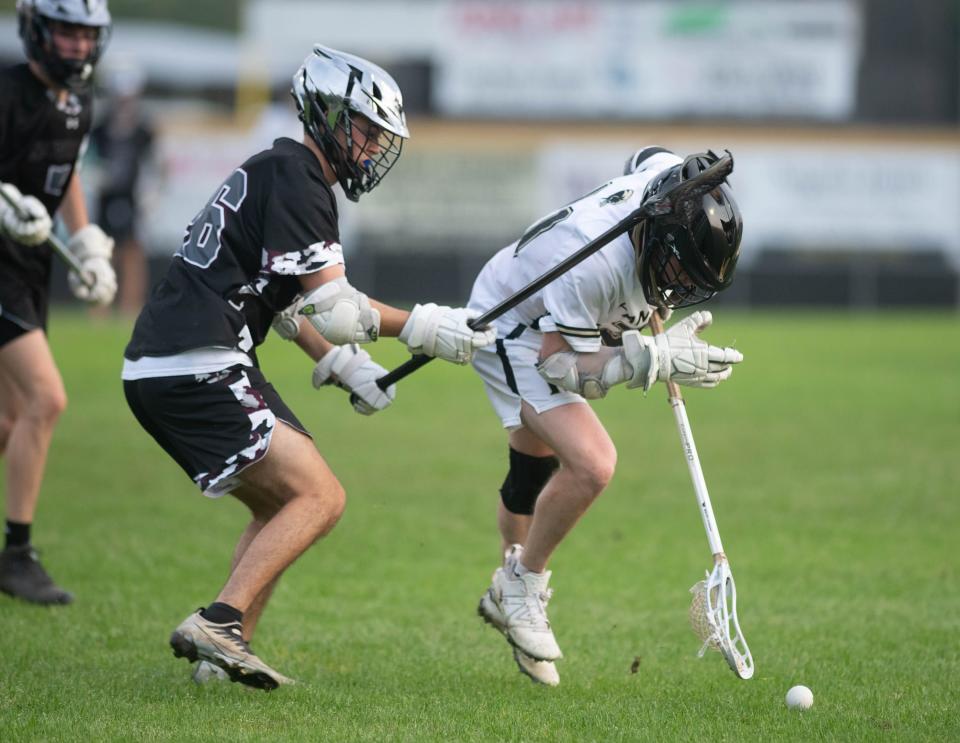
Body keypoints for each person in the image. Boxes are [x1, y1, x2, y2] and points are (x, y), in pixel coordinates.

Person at [121, 45, 496, 691]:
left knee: (280, 504)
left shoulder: (277, 168)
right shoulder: (298, 176)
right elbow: (339, 307)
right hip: (197, 361)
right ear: (325, 115)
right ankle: (219, 622)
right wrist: (428, 325)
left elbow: (288, 300)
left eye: (382, 135)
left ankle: (222, 657)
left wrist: (340, 364)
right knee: (320, 496)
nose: (376, 146)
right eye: (367, 128)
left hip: (173, 362)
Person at [467, 147, 744, 686]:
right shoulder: (590, 266)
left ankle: (511, 598)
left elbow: (646, 156)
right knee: (592, 463)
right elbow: (561, 365)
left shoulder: (668, 189)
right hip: (512, 324)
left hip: (547, 312)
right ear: (659, 236)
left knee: (530, 475)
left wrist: (647, 329)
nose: (678, 290)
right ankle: (521, 585)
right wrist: (648, 360)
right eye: (677, 271)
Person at [0, 0, 116, 606]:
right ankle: (16, 555)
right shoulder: (7, 92)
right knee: (47, 400)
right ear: (37, 30)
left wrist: (88, 243)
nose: (75, 46)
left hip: (30, 268)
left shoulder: (79, 102)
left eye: (85, 35)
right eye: (66, 33)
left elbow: (65, 171)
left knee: (12, 422)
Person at [89, 61, 156, 316]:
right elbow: (89, 161)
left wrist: (151, 195)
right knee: (104, 251)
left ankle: (130, 309)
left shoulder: (144, 130)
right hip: (106, 198)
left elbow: (154, 164)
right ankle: (99, 309)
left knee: (133, 252)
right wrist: (96, 177)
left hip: (133, 199)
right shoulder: (100, 129)